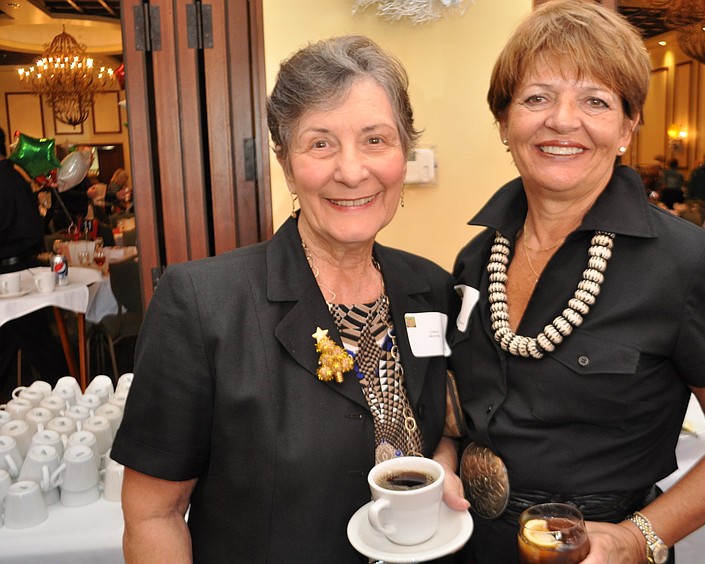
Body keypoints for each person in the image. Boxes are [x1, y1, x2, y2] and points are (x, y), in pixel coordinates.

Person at [110, 35, 466, 563]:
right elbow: (152, 514)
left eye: (375, 140)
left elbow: (439, 425)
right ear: (285, 162)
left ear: (403, 154)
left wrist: (442, 462)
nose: (351, 171)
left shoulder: (431, 288)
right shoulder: (203, 304)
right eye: (320, 143)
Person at [445, 2, 705, 563]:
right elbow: (465, 407)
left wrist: (637, 538)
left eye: (595, 101)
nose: (562, 120)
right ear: (504, 123)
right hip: (468, 542)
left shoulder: (687, 263)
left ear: (627, 127)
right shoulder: (475, 257)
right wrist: (447, 460)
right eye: (536, 97)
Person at [0, 127, 69, 397]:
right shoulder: (17, 176)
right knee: (34, 343)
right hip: (23, 269)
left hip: (8, 276)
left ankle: (67, 393)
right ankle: (66, 391)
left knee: (38, 346)